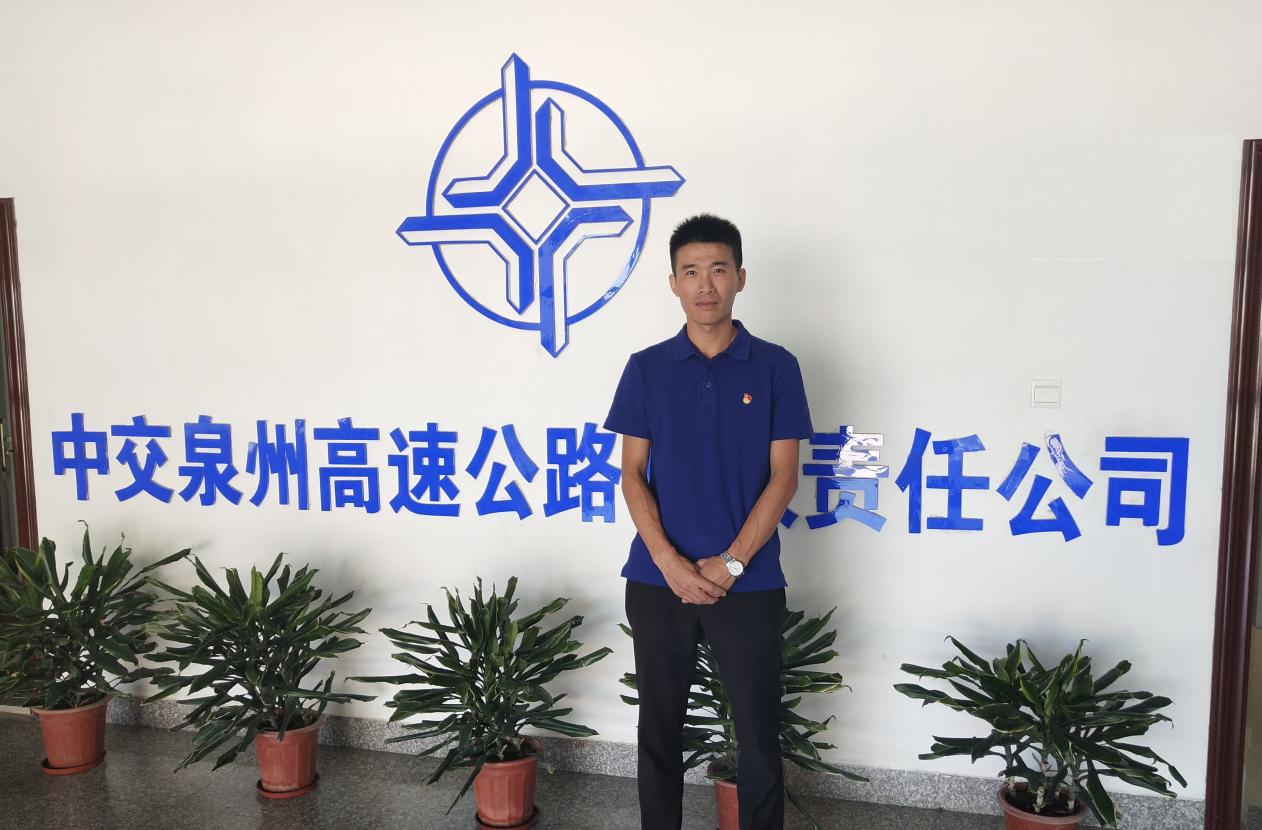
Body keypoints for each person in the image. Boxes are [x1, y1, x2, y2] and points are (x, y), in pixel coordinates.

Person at [603, 214, 813, 830]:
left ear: (740, 278)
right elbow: (631, 474)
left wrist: (733, 561)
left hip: (748, 583)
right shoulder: (646, 368)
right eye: (690, 271)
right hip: (658, 580)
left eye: (718, 269)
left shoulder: (775, 367)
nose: (705, 284)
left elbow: (784, 476)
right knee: (658, 731)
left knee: (759, 736)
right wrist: (668, 561)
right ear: (673, 283)